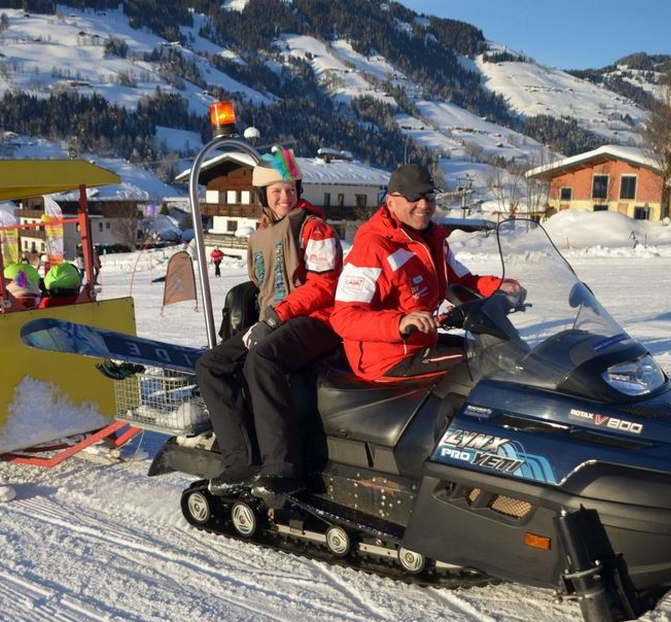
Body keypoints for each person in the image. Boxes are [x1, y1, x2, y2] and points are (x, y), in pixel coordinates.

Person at [195, 147, 342, 500]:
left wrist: (276, 317)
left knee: (262, 359)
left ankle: (283, 468)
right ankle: (241, 461)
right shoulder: (263, 233)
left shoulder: (314, 230)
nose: (284, 197)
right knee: (212, 365)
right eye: (276, 191)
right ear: (263, 196)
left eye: (290, 190)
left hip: (317, 320)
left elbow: (324, 286)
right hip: (276, 320)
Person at [331, 164, 520, 381]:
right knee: (486, 363)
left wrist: (499, 288)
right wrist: (399, 322)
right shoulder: (373, 247)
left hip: (420, 343)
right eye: (414, 197)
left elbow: (460, 280)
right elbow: (344, 317)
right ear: (390, 201)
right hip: (387, 358)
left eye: (429, 196)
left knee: (498, 353)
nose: (424, 204)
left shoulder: (432, 239)